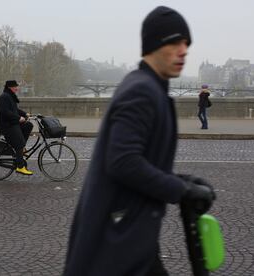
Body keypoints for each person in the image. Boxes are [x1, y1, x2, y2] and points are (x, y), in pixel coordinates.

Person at [64, 6, 216, 276]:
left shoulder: (146, 87)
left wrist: (184, 181)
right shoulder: (142, 92)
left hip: (129, 236)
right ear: (155, 44)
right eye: (176, 42)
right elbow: (123, 162)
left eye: (186, 44)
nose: (184, 51)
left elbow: (141, 162)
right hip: (116, 242)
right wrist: (181, 191)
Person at [0, 80, 34, 175]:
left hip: (12, 122)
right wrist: (18, 118)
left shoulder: (9, 96)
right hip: (6, 125)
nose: (17, 88)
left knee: (28, 125)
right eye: (15, 87)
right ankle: (20, 167)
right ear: (10, 87)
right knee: (19, 142)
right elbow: (5, 112)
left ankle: (21, 149)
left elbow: (15, 109)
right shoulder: (4, 97)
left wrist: (25, 114)